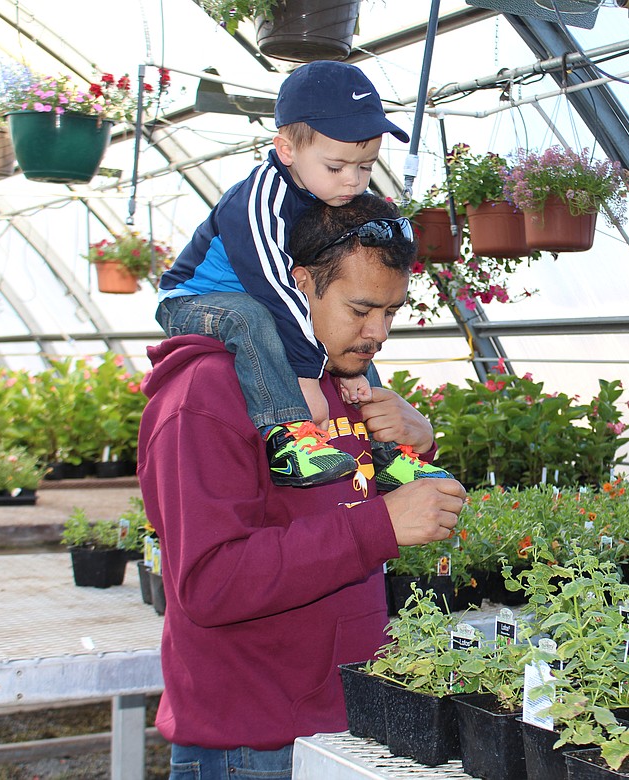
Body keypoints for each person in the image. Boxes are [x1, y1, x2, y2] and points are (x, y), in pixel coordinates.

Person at [138, 192, 467, 779]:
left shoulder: (337, 375)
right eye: (362, 309)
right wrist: (381, 525)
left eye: (391, 313)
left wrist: (418, 447)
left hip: (343, 723)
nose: (378, 335)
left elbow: (347, 499)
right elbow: (210, 583)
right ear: (302, 282)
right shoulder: (205, 396)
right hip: (253, 746)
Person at [156, 59, 452, 490]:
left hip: (263, 298)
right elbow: (275, 289)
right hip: (197, 302)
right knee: (251, 318)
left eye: (366, 166)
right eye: (337, 167)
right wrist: (305, 380)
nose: (353, 181)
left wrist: (348, 371)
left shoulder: (329, 190)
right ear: (287, 151)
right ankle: (288, 437)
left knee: (355, 342)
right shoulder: (258, 199)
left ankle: (391, 457)